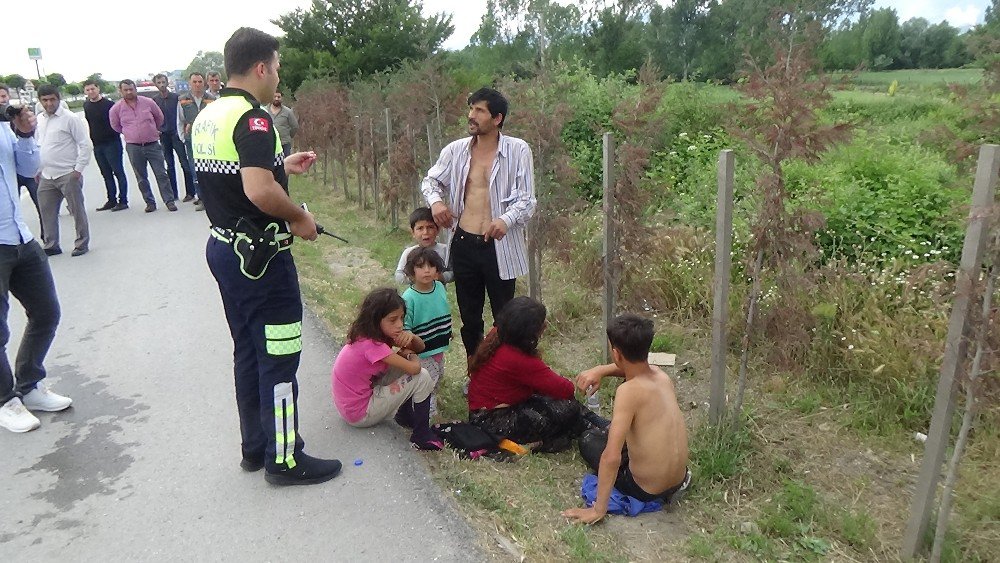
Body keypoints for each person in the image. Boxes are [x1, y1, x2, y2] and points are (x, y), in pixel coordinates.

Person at [193, 27, 341, 486]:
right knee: (278, 357)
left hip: (224, 249)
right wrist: (299, 217)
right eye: (276, 68)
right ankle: (285, 458)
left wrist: (283, 165)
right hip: (260, 261)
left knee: (248, 352)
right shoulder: (254, 120)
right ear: (261, 68)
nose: (278, 77)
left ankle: (255, 448)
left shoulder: (210, 114)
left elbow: (238, 175)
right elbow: (258, 191)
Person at [421, 87, 535, 360]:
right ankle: (477, 375)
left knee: (506, 318)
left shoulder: (518, 150)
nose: (471, 115)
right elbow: (431, 181)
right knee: (470, 319)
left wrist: (505, 220)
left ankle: (507, 375)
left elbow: (528, 201)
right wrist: (436, 202)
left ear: (497, 118)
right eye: (471, 109)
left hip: (499, 247)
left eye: (479, 110)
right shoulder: (455, 151)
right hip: (463, 243)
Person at [562, 314, 691, 524]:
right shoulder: (661, 376)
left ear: (615, 353)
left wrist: (598, 509)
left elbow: (611, 457)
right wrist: (601, 370)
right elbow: (633, 367)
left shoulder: (628, 392)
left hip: (645, 489)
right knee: (614, 429)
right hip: (678, 480)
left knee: (589, 440)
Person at [0, 90, 70, 433]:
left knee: (46, 312)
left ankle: (28, 385)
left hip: (19, 236)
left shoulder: (2, 127)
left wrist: (25, 133)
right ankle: (5, 400)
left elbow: (29, 169)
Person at [467, 296, 605, 453]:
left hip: (488, 410)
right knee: (566, 408)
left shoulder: (498, 336)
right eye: (541, 324)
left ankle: (595, 426)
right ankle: (595, 430)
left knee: (558, 405)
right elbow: (566, 389)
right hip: (493, 421)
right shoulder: (516, 358)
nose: (545, 326)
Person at [332, 288, 442, 450]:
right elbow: (415, 369)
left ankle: (404, 416)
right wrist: (410, 353)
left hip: (350, 407)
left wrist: (410, 338)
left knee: (404, 361)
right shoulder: (373, 346)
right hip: (361, 413)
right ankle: (421, 435)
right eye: (393, 320)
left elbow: (421, 346)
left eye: (402, 318)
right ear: (376, 320)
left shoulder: (369, 334)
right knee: (422, 377)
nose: (399, 325)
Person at [36, 85, 93, 257]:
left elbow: (85, 145)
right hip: (46, 175)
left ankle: (82, 243)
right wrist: (37, 169)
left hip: (67, 174)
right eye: (45, 100)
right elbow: (38, 145)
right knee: (46, 211)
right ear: (40, 101)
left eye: (52, 99)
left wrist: (78, 170)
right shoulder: (40, 119)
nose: (49, 103)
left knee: (76, 211)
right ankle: (51, 244)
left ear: (58, 98)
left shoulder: (70, 118)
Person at [109, 79, 177, 213]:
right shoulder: (116, 109)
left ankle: (169, 201)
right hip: (134, 147)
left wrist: (152, 129)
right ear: (120, 91)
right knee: (141, 177)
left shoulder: (148, 103)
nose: (129, 92)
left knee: (161, 173)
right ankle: (149, 202)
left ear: (135, 89)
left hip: (152, 145)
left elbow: (159, 118)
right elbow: (116, 126)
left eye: (131, 89)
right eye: (126, 90)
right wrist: (130, 133)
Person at [401, 247, 452, 415]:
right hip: (422, 350)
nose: (427, 270)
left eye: (431, 266)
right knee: (427, 379)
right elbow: (405, 326)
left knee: (438, 374)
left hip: (439, 346)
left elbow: (442, 310)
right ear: (411, 271)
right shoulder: (409, 297)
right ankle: (424, 412)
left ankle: (428, 401)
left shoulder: (439, 287)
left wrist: (447, 331)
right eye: (421, 267)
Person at [83, 79, 129, 212]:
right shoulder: (86, 106)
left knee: (118, 171)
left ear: (98, 89)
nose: (91, 92)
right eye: (88, 90)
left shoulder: (109, 104)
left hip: (112, 143)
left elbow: (118, 122)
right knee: (105, 173)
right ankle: (111, 199)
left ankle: (123, 200)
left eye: (93, 89)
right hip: (97, 144)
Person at [3, 104, 44, 237]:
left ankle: (48, 235)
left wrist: (25, 134)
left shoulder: (4, 125)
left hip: (14, 234)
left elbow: (29, 168)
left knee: (41, 204)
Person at [176, 72, 215, 210]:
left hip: (209, 140)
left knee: (210, 169)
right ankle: (202, 198)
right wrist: (182, 137)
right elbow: (180, 120)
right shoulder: (182, 100)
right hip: (191, 140)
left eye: (200, 82)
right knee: (195, 169)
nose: (197, 84)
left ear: (204, 83)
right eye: (194, 82)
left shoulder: (211, 99)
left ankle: (212, 198)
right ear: (189, 83)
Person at [152, 73, 191, 202]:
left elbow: (182, 115)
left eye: (163, 82)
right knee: (169, 165)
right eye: (159, 82)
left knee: (184, 163)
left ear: (167, 83)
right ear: (155, 84)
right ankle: (173, 194)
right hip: (164, 136)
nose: (162, 84)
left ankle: (190, 192)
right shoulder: (155, 100)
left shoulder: (176, 98)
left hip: (176, 134)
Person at [394, 207, 453, 285]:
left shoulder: (446, 250)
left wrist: (441, 277)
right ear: (413, 232)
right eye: (420, 228)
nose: (425, 232)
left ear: (438, 230)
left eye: (430, 227)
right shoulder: (409, 252)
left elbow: (454, 273)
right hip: (416, 295)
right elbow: (399, 275)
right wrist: (414, 278)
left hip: (438, 295)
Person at [266, 90, 298, 157]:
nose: (276, 99)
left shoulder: (288, 112)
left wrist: (288, 136)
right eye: (274, 96)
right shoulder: (265, 110)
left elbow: (295, 126)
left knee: (285, 164)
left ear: (282, 98)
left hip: (284, 144)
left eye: (279, 97)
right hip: (269, 143)